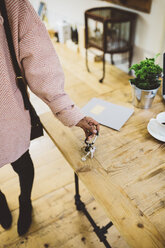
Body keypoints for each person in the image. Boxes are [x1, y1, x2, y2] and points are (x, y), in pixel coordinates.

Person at [0, 0, 100, 236]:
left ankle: (26, 202)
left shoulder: (11, 2)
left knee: (22, 164)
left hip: (7, 114)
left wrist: (69, 110)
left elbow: (38, 57)